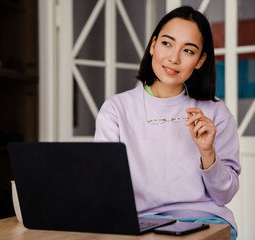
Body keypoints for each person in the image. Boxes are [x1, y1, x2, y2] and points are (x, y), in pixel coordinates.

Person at [94, 6, 241, 239]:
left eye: (189, 51)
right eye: (167, 43)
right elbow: (103, 185)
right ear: (153, 45)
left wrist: (207, 153)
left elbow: (224, 196)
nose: (174, 58)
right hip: (139, 222)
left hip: (204, 220)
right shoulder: (116, 110)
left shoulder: (215, 112)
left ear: (201, 60)